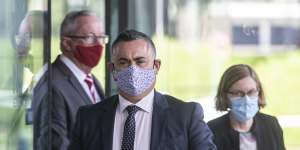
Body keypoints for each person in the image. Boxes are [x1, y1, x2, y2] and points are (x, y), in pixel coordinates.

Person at [68, 29, 216, 150]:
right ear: (112, 69)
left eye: (140, 61)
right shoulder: (88, 118)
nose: (133, 69)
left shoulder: (185, 116)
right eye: (123, 62)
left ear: (156, 66)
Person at [32, 10, 107, 150]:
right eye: (90, 37)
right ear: (67, 43)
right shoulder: (52, 86)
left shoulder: (90, 80)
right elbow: (54, 145)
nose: (98, 44)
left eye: (101, 37)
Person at [207, 64, 285, 150]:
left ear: (259, 92)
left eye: (251, 92)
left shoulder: (271, 125)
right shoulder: (212, 130)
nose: (246, 100)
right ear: (225, 96)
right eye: (238, 93)